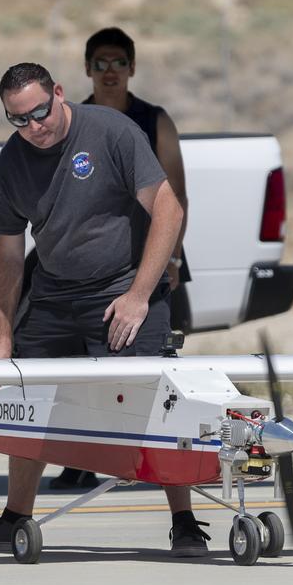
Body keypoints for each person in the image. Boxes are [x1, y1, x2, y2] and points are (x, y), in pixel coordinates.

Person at [0, 62, 212, 558]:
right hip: (54, 292)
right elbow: (8, 251)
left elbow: (168, 208)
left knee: (154, 399)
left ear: (61, 95)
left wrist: (138, 296)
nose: (34, 127)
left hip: (122, 290)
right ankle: (14, 519)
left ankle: (185, 522)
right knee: (28, 398)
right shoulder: (12, 161)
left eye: (40, 112)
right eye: (18, 119)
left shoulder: (111, 131)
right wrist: (2, 331)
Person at [48, 26, 193, 491]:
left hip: (140, 268)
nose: (110, 72)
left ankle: (147, 458)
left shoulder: (155, 121)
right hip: (79, 268)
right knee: (73, 369)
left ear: (132, 68)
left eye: (119, 63)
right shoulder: (71, 121)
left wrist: (168, 260)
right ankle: (78, 456)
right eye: (100, 64)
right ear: (87, 69)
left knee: (145, 368)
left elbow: (176, 196)